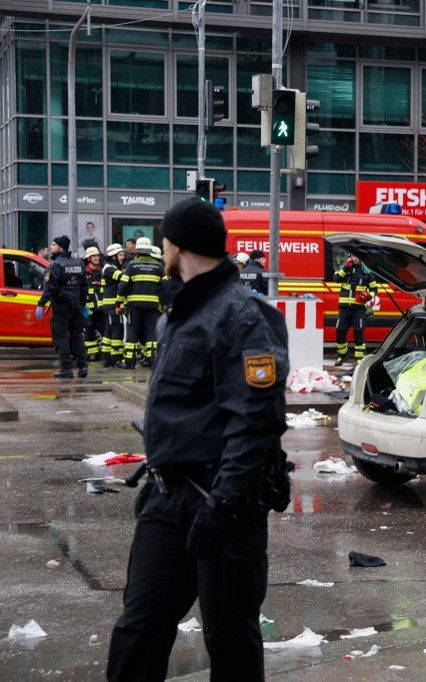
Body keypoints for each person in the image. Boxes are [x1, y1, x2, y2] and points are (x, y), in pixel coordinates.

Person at [107, 198, 288, 682]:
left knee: (229, 641)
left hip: (223, 506)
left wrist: (225, 504)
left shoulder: (243, 316)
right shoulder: (179, 312)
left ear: (177, 244)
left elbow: (256, 419)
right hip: (168, 499)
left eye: (165, 240)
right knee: (138, 630)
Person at [35, 235, 89, 379]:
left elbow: (50, 288)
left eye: (53, 245)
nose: (51, 247)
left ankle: (66, 369)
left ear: (61, 247)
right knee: (77, 336)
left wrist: (41, 304)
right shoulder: (79, 263)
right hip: (76, 306)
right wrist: (83, 305)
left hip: (61, 305)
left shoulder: (55, 265)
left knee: (61, 337)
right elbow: (84, 287)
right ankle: (83, 366)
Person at [117, 239, 164, 369]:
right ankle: (153, 361)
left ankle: (129, 363)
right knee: (151, 333)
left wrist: (119, 302)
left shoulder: (132, 265)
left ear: (137, 249)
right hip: (153, 307)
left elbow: (123, 285)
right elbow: (165, 286)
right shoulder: (159, 267)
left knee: (132, 333)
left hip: (134, 306)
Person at [332, 254, 377, 367]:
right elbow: (336, 279)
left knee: (359, 331)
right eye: (353, 256)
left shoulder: (366, 272)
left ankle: (359, 358)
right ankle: (342, 355)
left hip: (358, 309)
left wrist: (367, 296)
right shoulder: (344, 268)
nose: (355, 258)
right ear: (350, 256)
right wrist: (345, 268)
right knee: (339, 330)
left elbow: (374, 289)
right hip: (344, 308)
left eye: (357, 256)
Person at [100, 244, 127, 368]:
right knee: (117, 329)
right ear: (114, 256)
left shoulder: (112, 267)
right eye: (120, 254)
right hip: (112, 304)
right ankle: (116, 359)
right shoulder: (109, 268)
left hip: (110, 304)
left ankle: (107, 358)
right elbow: (123, 277)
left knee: (109, 330)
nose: (123, 257)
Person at [83, 246, 105, 362]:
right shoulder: (83, 273)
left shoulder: (103, 272)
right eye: (94, 256)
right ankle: (92, 354)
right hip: (87, 310)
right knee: (89, 332)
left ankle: (103, 355)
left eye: (97, 256)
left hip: (101, 309)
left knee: (105, 331)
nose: (96, 258)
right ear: (88, 258)